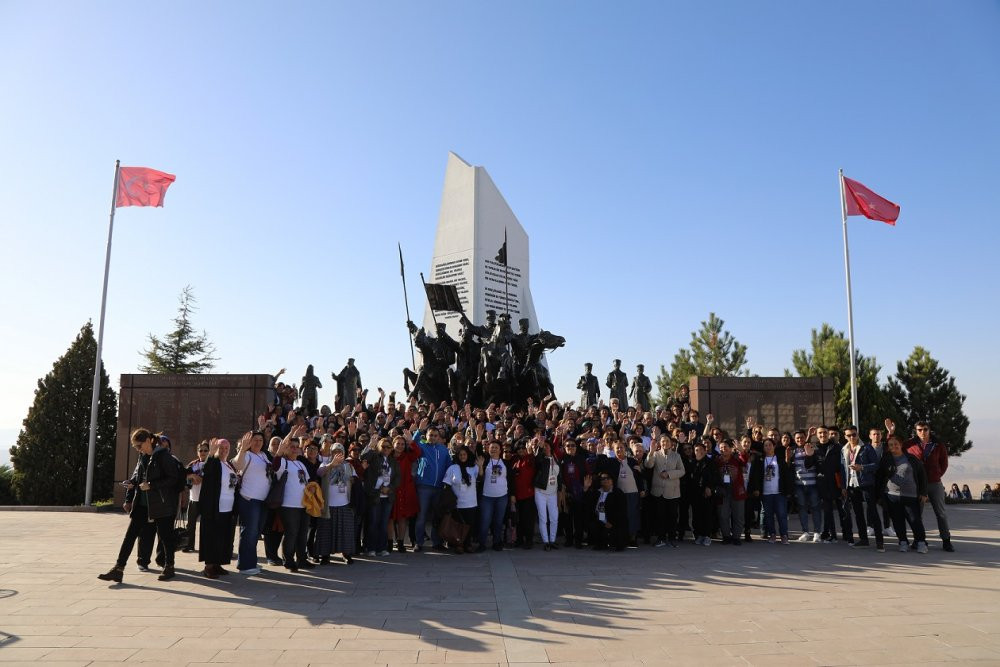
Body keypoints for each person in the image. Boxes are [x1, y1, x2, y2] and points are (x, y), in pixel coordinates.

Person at [98, 428, 180, 583]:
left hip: (161, 504)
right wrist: (132, 483)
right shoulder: (142, 456)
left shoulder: (163, 456)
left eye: (139, 445)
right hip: (141, 503)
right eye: (135, 447)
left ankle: (169, 566)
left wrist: (152, 485)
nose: (137, 449)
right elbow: (137, 475)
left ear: (149, 441)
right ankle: (118, 568)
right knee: (130, 536)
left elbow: (173, 479)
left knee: (165, 537)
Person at [889, 419, 953, 552]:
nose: (922, 432)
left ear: (929, 430)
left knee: (940, 513)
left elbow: (944, 463)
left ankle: (946, 540)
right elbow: (893, 447)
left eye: (925, 429)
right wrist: (890, 433)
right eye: (919, 430)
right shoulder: (909, 444)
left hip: (934, 483)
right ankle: (919, 540)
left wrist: (936, 475)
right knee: (917, 514)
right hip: (916, 484)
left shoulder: (938, 444)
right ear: (916, 431)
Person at [879, 434, 929, 554]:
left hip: (910, 495)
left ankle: (921, 543)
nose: (893, 446)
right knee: (897, 520)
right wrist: (879, 495)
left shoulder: (911, 458)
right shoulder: (885, 459)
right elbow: (880, 477)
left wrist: (923, 492)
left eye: (896, 444)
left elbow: (922, 475)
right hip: (892, 495)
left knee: (915, 520)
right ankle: (903, 542)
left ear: (901, 444)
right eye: (891, 445)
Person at [272, 425, 312, 572]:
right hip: (289, 505)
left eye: (296, 446)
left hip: (304, 505)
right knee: (291, 533)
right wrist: (287, 438)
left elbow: (307, 483)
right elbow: (275, 465)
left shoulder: (301, 463)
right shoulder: (283, 462)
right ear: (286, 448)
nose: (294, 449)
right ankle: (288, 560)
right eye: (291, 446)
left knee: (302, 534)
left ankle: (302, 559)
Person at [198, 437, 238, 579]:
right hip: (214, 507)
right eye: (221, 448)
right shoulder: (213, 462)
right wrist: (211, 455)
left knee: (222, 538)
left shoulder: (228, 464)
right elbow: (206, 472)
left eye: (226, 448)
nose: (223, 451)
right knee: (211, 537)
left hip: (227, 507)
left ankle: (217, 564)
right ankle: (209, 566)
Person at [841, 425, 884, 552]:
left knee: (872, 512)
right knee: (858, 513)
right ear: (845, 436)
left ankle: (879, 541)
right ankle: (863, 539)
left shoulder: (867, 447)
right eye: (849, 435)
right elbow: (843, 469)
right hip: (852, 485)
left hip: (866, 484)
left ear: (858, 434)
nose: (852, 437)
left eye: (854, 434)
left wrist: (862, 467)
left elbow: (876, 465)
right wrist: (844, 486)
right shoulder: (844, 449)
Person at [233, 430, 270, 575]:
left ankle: (251, 562)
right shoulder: (246, 455)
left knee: (255, 533)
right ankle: (245, 566)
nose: (258, 442)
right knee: (249, 532)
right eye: (255, 440)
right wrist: (242, 449)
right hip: (249, 498)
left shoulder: (263, 455)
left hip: (262, 500)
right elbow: (237, 465)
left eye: (260, 440)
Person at [316, 442, 356, 564]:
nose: (337, 454)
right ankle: (325, 556)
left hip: (344, 503)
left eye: (340, 452)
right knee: (326, 531)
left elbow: (354, 480)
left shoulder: (348, 466)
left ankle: (346, 554)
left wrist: (348, 478)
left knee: (345, 531)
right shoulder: (325, 463)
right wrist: (331, 465)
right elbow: (319, 473)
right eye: (334, 452)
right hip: (328, 504)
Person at [412, 427, 451, 552]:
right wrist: (419, 430)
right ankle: (418, 542)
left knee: (437, 516)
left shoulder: (444, 450)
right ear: (426, 436)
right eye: (431, 435)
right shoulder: (422, 447)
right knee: (421, 516)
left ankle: (437, 542)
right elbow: (413, 443)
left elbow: (449, 467)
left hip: (439, 488)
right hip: (424, 486)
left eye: (435, 435)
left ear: (439, 437)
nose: (433, 437)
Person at [362, 437, 400, 556]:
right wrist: (370, 446)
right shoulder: (374, 456)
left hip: (387, 496)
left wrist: (389, 488)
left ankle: (382, 548)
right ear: (378, 447)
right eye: (383, 446)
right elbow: (363, 459)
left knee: (384, 523)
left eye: (389, 447)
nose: (386, 449)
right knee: (373, 522)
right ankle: (371, 547)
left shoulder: (393, 461)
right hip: (375, 495)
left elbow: (397, 478)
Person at [644, 434, 685, 548]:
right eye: (662, 441)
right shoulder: (656, 454)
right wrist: (651, 452)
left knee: (672, 516)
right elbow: (648, 465)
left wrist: (669, 474)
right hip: (658, 491)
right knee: (659, 516)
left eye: (667, 441)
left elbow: (682, 471)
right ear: (659, 443)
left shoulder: (676, 456)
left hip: (672, 492)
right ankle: (661, 538)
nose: (665, 443)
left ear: (671, 443)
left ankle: (672, 538)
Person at [441, 445, 478, 553]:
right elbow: (446, 485)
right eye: (460, 454)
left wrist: (480, 466)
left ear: (468, 455)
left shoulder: (473, 467)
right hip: (457, 503)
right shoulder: (453, 468)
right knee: (458, 525)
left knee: (469, 525)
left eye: (464, 454)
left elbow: (480, 477)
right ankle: (459, 544)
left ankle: (468, 544)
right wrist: (450, 500)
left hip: (471, 502)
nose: (462, 456)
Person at [478, 441, 512, 552]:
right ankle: (482, 543)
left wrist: (512, 495)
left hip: (502, 497)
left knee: (498, 521)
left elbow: (510, 480)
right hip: (487, 497)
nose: (493, 449)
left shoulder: (506, 462)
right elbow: (481, 476)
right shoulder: (485, 461)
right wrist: (480, 467)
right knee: (485, 521)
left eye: (496, 447)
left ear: (500, 450)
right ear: (488, 449)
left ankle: (497, 542)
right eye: (491, 447)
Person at [388, 434, 420, 553]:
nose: (400, 446)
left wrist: (411, 441)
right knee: (390, 518)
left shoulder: (407, 456)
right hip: (391, 490)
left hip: (405, 490)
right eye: (398, 444)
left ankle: (401, 542)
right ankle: (389, 542)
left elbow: (417, 453)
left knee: (402, 518)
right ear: (393, 444)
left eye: (402, 444)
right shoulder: (388, 457)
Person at [757, 438, 792, 544]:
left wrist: (788, 490)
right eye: (765, 445)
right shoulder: (760, 460)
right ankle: (772, 534)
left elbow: (786, 476)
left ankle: (784, 535)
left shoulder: (779, 459)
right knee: (768, 515)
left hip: (779, 492)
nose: (768, 447)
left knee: (782, 514)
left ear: (774, 446)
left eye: (770, 445)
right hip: (766, 492)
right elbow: (757, 477)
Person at [788, 430, 821, 542]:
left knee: (815, 508)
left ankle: (817, 532)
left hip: (812, 485)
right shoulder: (793, 451)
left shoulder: (813, 448)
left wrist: (809, 454)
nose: (800, 440)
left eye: (802, 437)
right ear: (794, 439)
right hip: (799, 485)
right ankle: (805, 532)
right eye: (797, 438)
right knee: (802, 508)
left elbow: (814, 464)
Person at [714, 440, 747, 545]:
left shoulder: (736, 458)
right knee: (723, 515)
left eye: (726, 447)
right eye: (721, 448)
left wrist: (741, 450)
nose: (723, 449)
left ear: (731, 448)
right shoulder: (717, 460)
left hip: (737, 491)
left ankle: (736, 537)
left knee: (738, 515)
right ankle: (726, 536)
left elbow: (745, 460)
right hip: (723, 492)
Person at [584, 472, 627, 551]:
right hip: (600, 520)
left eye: (608, 478)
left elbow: (622, 511)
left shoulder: (618, 493)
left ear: (612, 480)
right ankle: (599, 544)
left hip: (613, 521)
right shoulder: (597, 492)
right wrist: (586, 488)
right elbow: (587, 502)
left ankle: (616, 543)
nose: (605, 480)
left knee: (616, 530)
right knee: (592, 525)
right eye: (603, 479)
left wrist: (612, 522)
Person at [532, 436, 562, 551]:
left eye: (547, 445)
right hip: (541, 491)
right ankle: (546, 541)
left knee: (554, 517)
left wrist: (560, 489)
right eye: (543, 446)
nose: (545, 448)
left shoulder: (555, 458)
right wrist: (539, 448)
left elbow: (559, 475)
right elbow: (536, 459)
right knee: (543, 517)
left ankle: (553, 540)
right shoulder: (541, 459)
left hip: (553, 492)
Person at [558, 439, 589, 548]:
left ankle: (578, 540)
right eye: (568, 446)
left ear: (576, 447)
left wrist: (585, 487)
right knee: (567, 518)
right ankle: (569, 539)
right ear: (565, 448)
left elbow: (587, 474)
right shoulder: (562, 459)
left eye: (573, 445)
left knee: (578, 518)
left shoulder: (581, 459)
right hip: (566, 492)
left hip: (579, 492)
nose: (570, 447)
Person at [687, 442, 718, 546]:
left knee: (707, 515)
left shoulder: (711, 462)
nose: (698, 452)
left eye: (701, 450)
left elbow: (714, 477)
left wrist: (710, 487)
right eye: (696, 450)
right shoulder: (692, 463)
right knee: (696, 516)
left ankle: (707, 536)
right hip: (695, 493)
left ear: (705, 451)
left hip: (707, 492)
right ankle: (698, 535)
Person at [182, 440, 210, 553]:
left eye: (205, 450)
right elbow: (183, 475)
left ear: (209, 452)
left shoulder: (212, 463)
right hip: (194, 498)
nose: (203, 452)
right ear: (197, 452)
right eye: (200, 450)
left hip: (207, 500)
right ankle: (189, 545)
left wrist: (202, 479)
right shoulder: (193, 464)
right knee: (191, 524)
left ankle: (206, 547)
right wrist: (192, 476)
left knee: (206, 525)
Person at [510, 439, 537, 548]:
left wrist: (531, 450)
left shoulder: (531, 459)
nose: (521, 450)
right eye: (519, 448)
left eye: (523, 448)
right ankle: (519, 539)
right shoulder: (515, 460)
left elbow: (536, 458)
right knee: (518, 519)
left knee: (528, 519)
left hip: (529, 495)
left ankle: (529, 540)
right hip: (517, 495)